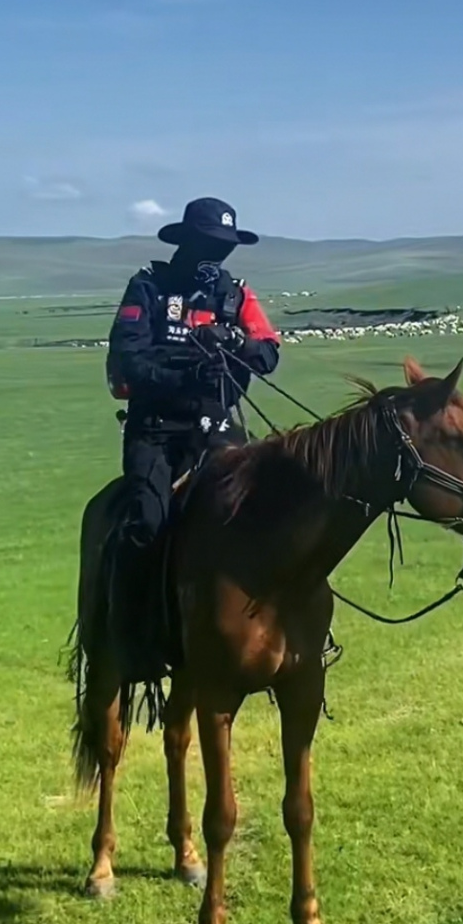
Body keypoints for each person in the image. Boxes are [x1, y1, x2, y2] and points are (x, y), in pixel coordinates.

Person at [104, 195, 280, 675]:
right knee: (146, 520)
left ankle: (283, 630)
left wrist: (235, 342)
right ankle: (133, 634)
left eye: (224, 246)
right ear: (188, 241)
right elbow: (128, 358)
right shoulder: (149, 287)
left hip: (217, 425)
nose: (217, 254)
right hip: (157, 429)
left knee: (268, 512)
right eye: (210, 244)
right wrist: (184, 373)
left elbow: (268, 353)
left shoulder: (236, 295)